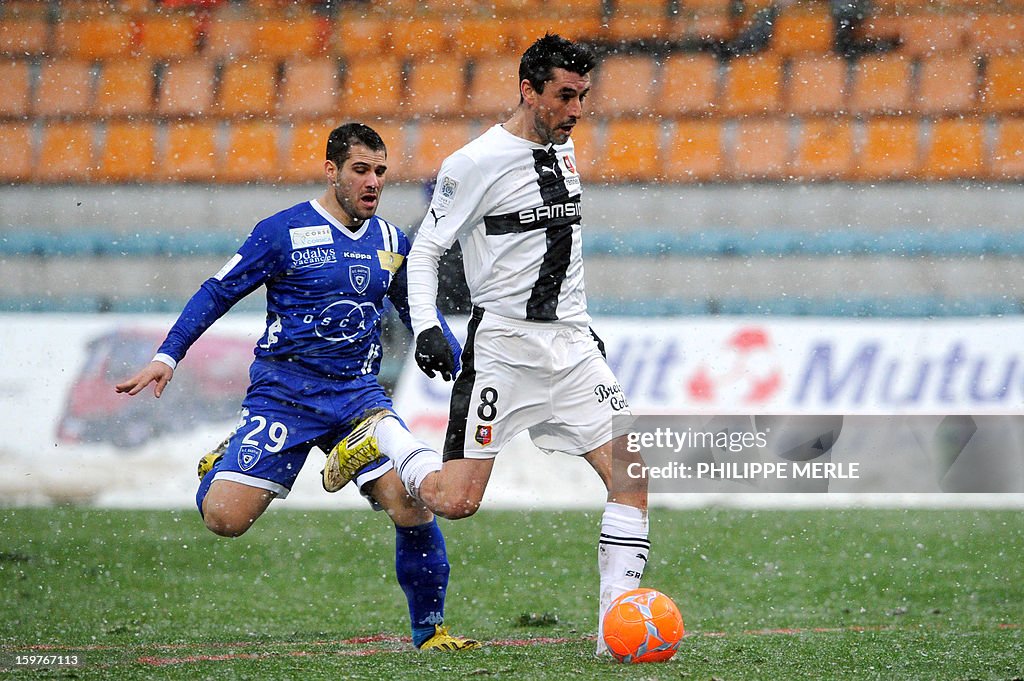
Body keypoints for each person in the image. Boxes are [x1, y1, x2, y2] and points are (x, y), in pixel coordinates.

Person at [321, 35, 649, 655]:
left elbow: (557, 249)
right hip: (503, 349)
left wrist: (576, 318)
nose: (577, 110)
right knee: (456, 501)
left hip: (573, 348)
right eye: (565, 96)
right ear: (529, 91)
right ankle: (382, 439)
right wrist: (425, 328)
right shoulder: (474, 164)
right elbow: (425, 253)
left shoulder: (563, 147)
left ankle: (617, 632)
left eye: (583, 96)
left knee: (631, 475)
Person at [115, 122, 478, 652]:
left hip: (357, 397)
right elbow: (218, 291)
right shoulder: (281, 232)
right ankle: (226, 461)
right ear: (331, 171)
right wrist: (168, 355)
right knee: (224, 519)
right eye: (360, 170)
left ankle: (430, 632)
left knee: (411, 502)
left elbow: (420, 312)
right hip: (283, 396)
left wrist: (457, 355)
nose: (373, 182)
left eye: (380, 172)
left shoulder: (394, 241)